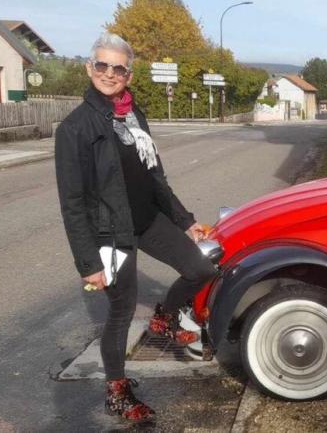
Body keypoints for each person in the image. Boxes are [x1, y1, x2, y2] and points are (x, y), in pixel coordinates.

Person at [55, 32, 217, 422]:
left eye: (118, 67)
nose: (109, 73)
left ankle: (164, 317)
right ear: (88, 67)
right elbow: (72, 204)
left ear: (129, 73)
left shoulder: (132, 114)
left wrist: (186, 221)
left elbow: (155, 178)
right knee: (121, 311)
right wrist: (87, 262)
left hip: (146, 220)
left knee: (199, 269)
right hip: (112, 234)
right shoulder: (74, 129)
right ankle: (116, 391)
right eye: (102, 65)